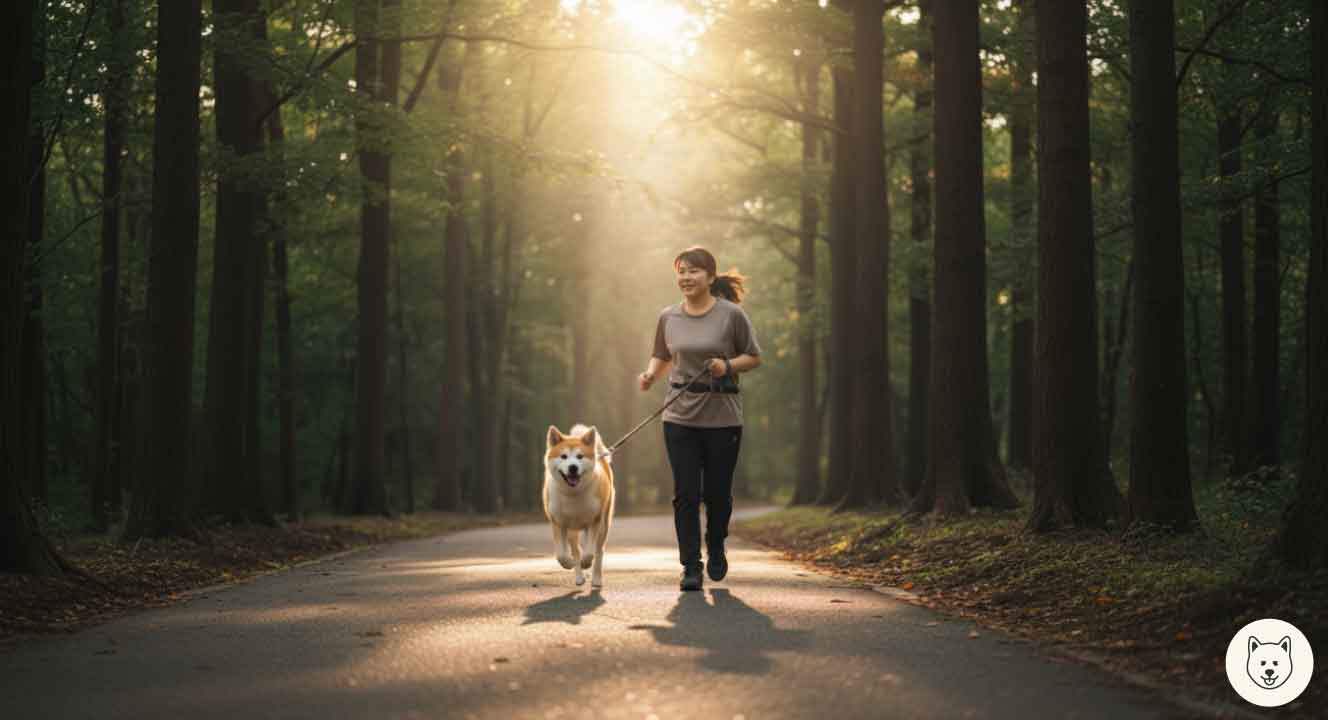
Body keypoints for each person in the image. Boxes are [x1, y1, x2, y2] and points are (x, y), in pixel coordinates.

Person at [639, 246, 762, 591]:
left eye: (693, 271)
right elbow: (662, 355)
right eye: (681, 271)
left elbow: (753, 357)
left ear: (710, 276)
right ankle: (691, 566)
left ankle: (717, 545)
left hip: (723, 416)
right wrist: (650, 375)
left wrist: (727, 365)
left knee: (718, 494)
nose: (686, 277)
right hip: (679, 414)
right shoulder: (668, 317)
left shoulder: (731, 315)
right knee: (686, 494)